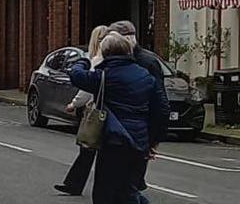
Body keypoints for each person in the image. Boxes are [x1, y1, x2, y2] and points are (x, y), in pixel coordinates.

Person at [69, 33, 169, 204]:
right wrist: (153, 141)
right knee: (129, 190)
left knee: (105, 193)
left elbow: (76, 76)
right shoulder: (146, 76)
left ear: (106, 53)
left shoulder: (104, 76)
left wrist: (85, 61)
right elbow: (161, 110)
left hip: (114, 141)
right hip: (139, 141)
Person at [110, 19, 168, 204]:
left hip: (138, 134)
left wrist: (154, 140)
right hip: (124, 135)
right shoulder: (122, 60)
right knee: (124, 188)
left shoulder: (146, 63)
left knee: (127, 190)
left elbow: (160, 104)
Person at [55, 24, 110, 196]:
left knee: (87, 148)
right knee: (98, 152)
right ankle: (74, 184)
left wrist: (74, 103)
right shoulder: (113, 60)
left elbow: (87, 88)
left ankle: (74, 184)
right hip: (111, 110)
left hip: (98, 110)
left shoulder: (95, 61)